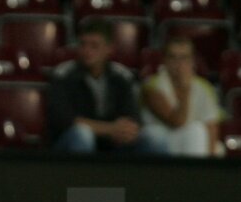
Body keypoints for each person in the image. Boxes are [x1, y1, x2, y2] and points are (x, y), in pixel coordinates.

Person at [48, 19, 167, 155]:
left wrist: (126, 131)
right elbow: (64, 120)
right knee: (82, 134)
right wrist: (109, 129)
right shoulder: (64, 75)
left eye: (94, 46)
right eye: (83, 45)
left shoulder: (121, 77)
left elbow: (133, 118)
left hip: (115, 144)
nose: (87, 51)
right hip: (70, 142)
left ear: (109, 49)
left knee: (156, 135)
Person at [140, 35, 223, 157]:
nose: (179, 64)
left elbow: (211, 127)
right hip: (161, 142)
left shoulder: (204, 87)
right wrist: (185, 88)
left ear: (192, 61)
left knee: (199, 132)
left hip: (192, 141)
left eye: (184, 58)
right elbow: (178, 122)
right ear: (164, 60)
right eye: (173, 57)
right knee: (192, 131)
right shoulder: (152, 86)